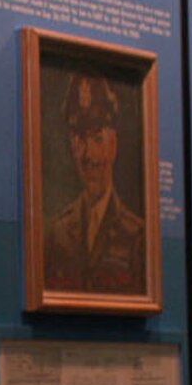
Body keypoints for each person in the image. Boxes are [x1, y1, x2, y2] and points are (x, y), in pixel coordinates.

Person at [43, 73, 146, 296]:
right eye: (80, 140)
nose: (89, 155)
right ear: (72, 146)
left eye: (98, 139)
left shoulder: (137, 236)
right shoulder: (57, 234)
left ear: (113, 144)